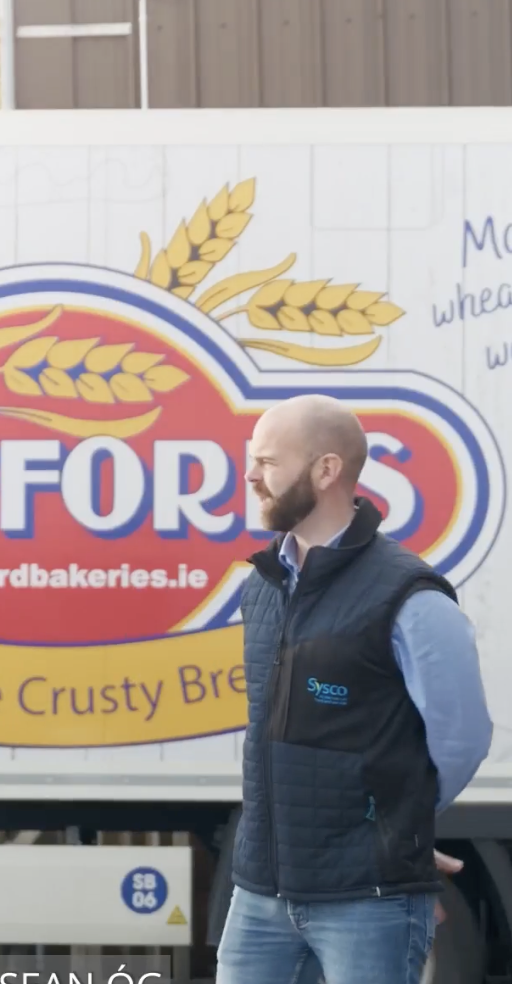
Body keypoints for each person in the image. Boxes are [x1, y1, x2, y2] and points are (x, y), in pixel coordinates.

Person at [216, 394, 493, 984]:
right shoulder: (263, 587)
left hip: (368, 901)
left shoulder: (411, 598)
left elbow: (462, 737)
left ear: (326, 469)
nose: (250, 476)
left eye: (267, 461)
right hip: (260, 895)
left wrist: (400, 826)